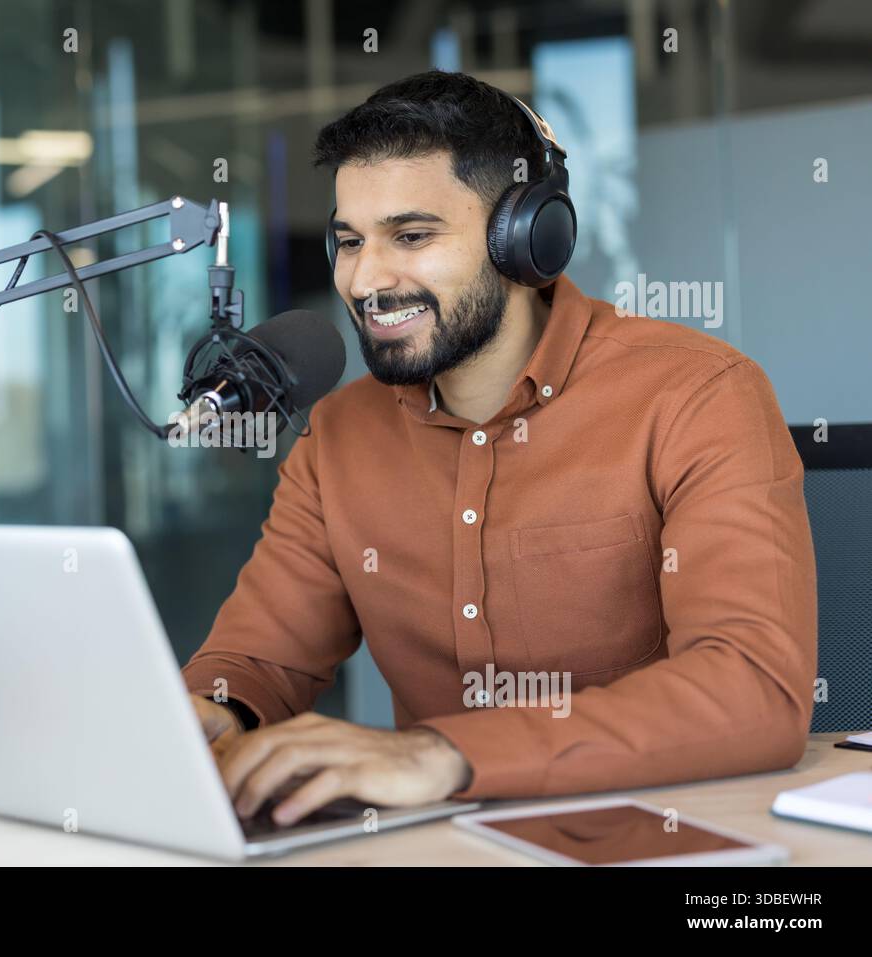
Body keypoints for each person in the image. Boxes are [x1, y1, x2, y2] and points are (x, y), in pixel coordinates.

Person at [183, 69, 817, 828]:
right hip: (439, 847)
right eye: (349, 241)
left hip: (661, 836)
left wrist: (444, 753)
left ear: (525, 239)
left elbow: (753, 689)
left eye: (411, 236)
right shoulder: (339, 438)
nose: (366, 279)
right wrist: (213, 713)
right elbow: (260, 662)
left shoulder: (699, 397)